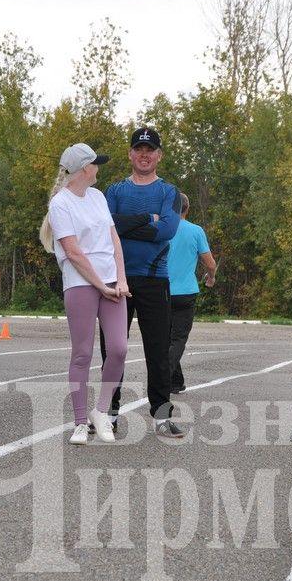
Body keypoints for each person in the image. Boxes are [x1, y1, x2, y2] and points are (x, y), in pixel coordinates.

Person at [40, 143, 129, 445]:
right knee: (83, 353)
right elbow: (73, 252)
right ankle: (80, 422)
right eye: (95, 164)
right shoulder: (60, 204)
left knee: (118, 349)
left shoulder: (99, 197)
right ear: (83, 169)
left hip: (110, 283)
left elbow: (114, 241)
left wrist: (120, 279)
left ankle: (100, 411)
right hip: (80, 283)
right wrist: (100, 285)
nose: (98, 169)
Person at [103, 127, 184, 438]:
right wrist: (147, 219)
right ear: (130, 154)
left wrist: (124, 226)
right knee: (113, 350)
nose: (144, 154)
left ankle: (162, 415)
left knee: (158, 350)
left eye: (150, 149)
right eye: (139, 148)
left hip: (154, 280)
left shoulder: (168, 192)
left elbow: (166, 231)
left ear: (159, 155)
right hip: (116, 280)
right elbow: (104, 227)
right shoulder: (115, 191)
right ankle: (109, 412)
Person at [167, 192, 217, 394]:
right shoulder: (196, 231)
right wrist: (211, 277)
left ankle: (175, 382)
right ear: (187, 209)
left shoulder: (162, 230)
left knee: (166, 339)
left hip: (161, 291)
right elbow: (210, 263)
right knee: (178, 339)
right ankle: (164, 378)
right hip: (186, 292)